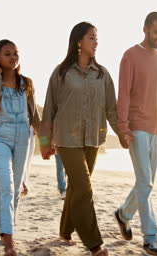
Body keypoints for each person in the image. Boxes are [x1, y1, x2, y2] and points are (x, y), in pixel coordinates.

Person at [39, 21, 119, 256]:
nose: (96, 42)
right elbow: (49, 111)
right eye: (91, 37)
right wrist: (44, 143)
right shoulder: (61, 73)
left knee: (75, 187)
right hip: (66, 138)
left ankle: (65, 231)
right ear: (78, 41)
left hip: (93, 138)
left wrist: (122, 134)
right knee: (84, 188)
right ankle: (94, 243)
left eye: (97, 37)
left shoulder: (102, 74)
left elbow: (111, 109)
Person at [113, 12, 157, 256]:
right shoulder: (130, 56)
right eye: (156, 33)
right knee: (146, 182)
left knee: (146, 183)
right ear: (145, 29)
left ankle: (123, 214)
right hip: (136, 127)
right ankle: (150, 238)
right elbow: (123, 94)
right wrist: (122, 128)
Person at [0, 39, 41, 256]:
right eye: (8, 54)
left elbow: (35, 117)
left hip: (23, 137)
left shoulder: (27, 83)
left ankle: (8, 230)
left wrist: (45, 144)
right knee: (6, 185)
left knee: (15, 189)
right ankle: (8, 241)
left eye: (16, 53)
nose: (14, 57)